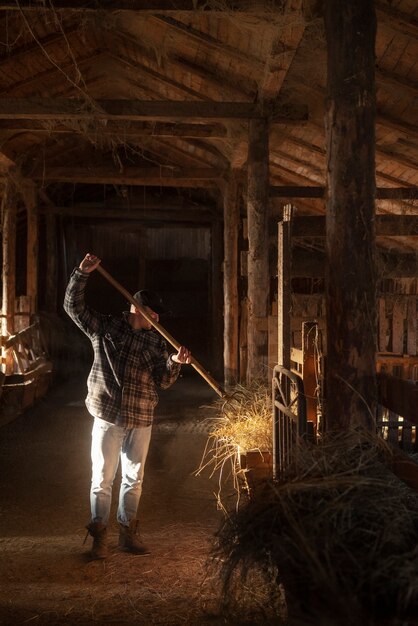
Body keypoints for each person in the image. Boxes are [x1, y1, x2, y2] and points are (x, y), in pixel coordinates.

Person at [64, 253, 191, 560]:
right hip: (108, 415)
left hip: (141, 416)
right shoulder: (106, 328)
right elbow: (73, 307)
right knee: (102, 477)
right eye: (153, 313)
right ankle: (99, 537)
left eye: (159, 315)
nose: (158, 319)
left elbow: (162, 380)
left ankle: (127, 534)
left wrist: (174, 362)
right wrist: (82, 274)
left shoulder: (157, 343)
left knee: (134, 478)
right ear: (136, 309)